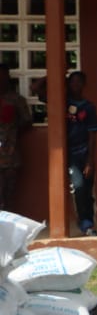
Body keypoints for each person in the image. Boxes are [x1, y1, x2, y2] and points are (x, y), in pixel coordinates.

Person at [66, 71, 97, 235]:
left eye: (78, 82)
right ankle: (84, 223)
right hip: (70, 154)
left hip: (84, 152)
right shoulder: (63, 103)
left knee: (87, 190)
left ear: (83, 84)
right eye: (72, 82)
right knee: (78, 187)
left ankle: (89, 222)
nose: (75, 85)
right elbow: (36, 89)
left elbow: (92, 134)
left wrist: (90, 161)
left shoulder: (88, 107)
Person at [0, 64, 32, 211]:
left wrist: (11, 131)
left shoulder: (16, 99)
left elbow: (27, 120)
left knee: (9, 193)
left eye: (3, 76)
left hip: (10, 155)